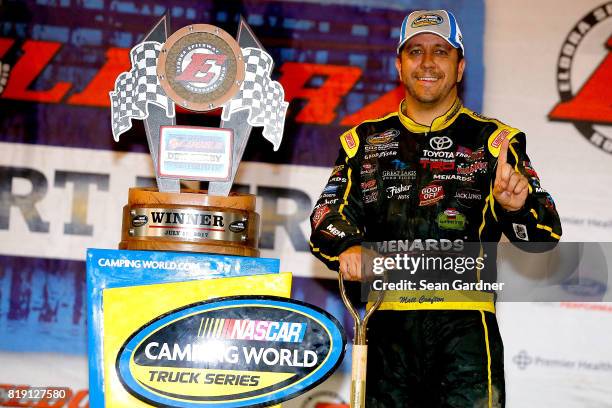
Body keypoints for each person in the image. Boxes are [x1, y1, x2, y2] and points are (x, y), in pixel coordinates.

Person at [309, 9, 562, 408]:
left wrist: (519, 206)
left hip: (465, 340)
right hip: (386, 332)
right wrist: (349, 246)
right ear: (399, 64)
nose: (427, 62)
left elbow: (545, 235)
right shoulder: (364, 141)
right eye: (415, 51)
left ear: (459, 66)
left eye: (441, 52)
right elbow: (325, 217)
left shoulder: (495, 142)